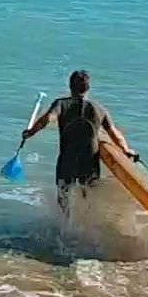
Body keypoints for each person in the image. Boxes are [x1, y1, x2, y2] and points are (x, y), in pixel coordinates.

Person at [20, 70, 137, 211]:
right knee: (88, 199)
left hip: (67, 160)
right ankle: (86, 229)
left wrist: (30, 132)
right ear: (88, 88)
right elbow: (114, 133)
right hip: (89, 162)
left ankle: (65, 229)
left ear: (70, 86)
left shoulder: (61, 104)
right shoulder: (99, 109)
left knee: (64, 200)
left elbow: (47, 120)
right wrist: (125, 149)